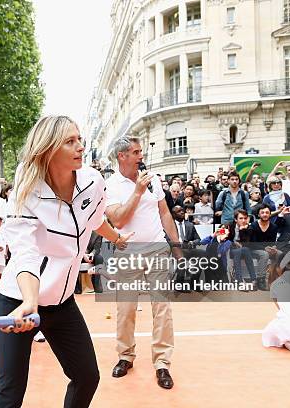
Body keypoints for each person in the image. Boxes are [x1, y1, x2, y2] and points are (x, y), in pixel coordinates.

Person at [0, 115, 130, 408]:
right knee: (9, 393)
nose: (80, 146)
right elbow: (25, 253)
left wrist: (116, 238)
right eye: (70, 141)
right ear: (49, 149)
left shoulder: (93, 181)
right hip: (19, 300)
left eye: (79, 138)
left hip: (63, 302)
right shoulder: (25, 194)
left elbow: (93, 219)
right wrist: (30, 302)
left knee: (87, 377)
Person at [104, 136, 182, 390]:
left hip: (158, 249)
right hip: (127, 252)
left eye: (140, 151)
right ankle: (125, 356)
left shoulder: (154, 179)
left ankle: (162, 363)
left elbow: (164, 213)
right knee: (126, 309)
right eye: (136, 152)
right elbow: (118, 221)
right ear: (122, 156)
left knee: (162, 307)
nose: (141, 156)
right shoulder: (110, 185)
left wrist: (177, 246)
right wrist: (138, 191)